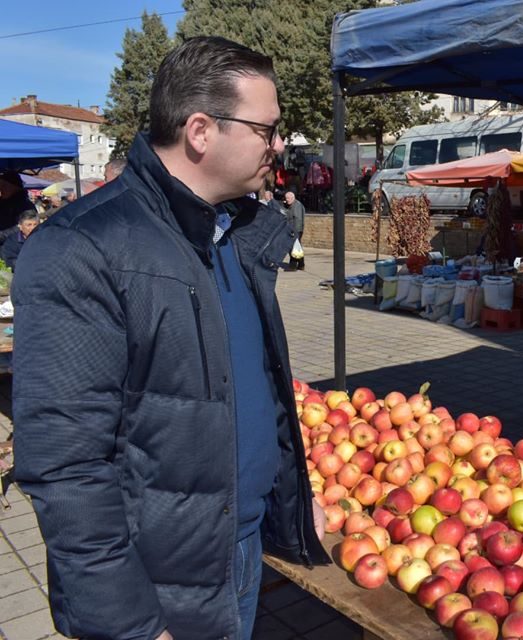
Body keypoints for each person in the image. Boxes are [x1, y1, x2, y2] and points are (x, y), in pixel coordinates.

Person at [12, 36, 327, 640]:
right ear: (202, 131)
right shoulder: (83, 249)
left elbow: (251, 391)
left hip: (236, 549)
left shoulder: (237, 233)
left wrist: (289, 496)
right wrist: (129, 623)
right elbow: (65, 468)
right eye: (267, 128)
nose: (279, 144)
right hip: (156, 588)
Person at [283, 189, 306, 270]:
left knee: (293, 247)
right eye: (286, 198)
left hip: (296, 229)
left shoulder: (297, 206)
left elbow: (297, 219)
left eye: (288, 198)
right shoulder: (290, 205)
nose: (286, 200)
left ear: (293, 198)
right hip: (293, 229)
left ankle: (293, 266)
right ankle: (301, 264)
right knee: (297, 247)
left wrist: (294, 231)